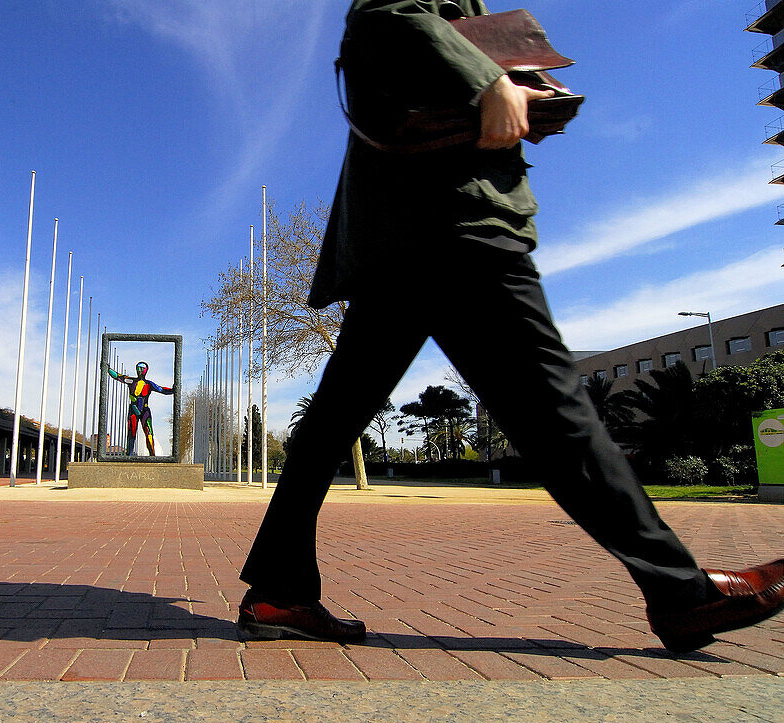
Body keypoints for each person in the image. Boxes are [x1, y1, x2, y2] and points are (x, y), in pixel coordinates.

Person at [237, 0, 784, 653]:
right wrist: (489, 80)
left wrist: (520, 90)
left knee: (331, 423)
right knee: (557, 414)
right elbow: (387, 16)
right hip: (455, 221)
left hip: (404, 237)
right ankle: (680, 593)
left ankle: (278, 590)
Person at [108, 361, 173, 455]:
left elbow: (162, 389)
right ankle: (129, 455)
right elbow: (118, 376)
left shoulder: (149, 384)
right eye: (139, 368)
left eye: (143, 368)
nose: (141, 370)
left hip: (145, 411)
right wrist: (108, 370)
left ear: (146, 370)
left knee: (149, 432)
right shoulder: (131, 381)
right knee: (131, 433)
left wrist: (173, 390)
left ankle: (152, 455)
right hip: (134, 409)